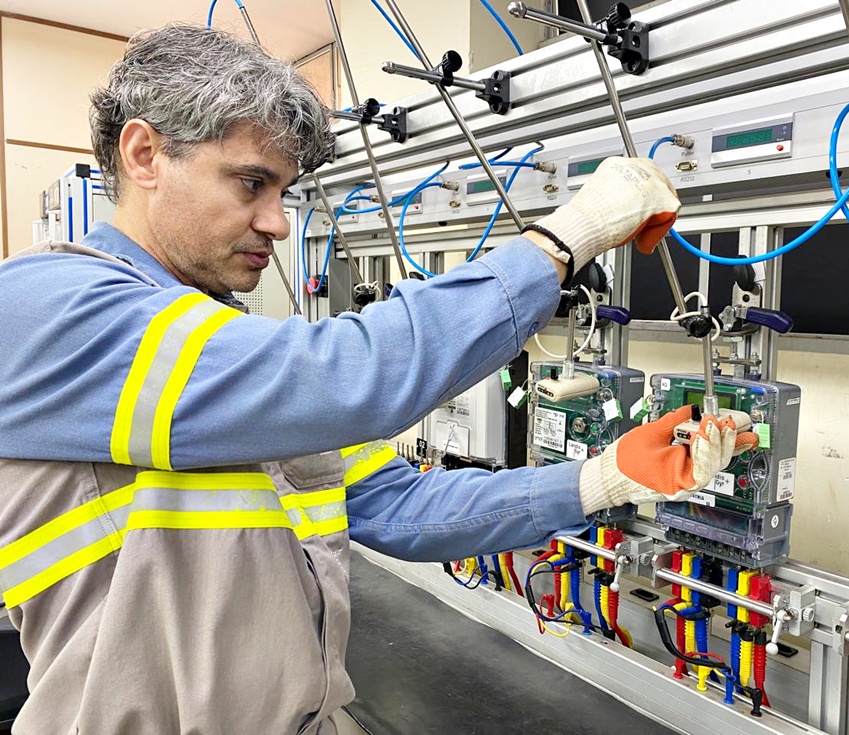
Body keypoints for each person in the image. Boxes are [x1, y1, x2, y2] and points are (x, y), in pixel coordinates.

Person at [0, 23, 757, 735]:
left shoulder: (223, 354)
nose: (277, 222)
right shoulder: (47, 309)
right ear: (144, 156)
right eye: (251, 183)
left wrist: (601, 480)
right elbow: (354, 374)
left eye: (285, 193)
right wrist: (569, 237)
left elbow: (398, 505)